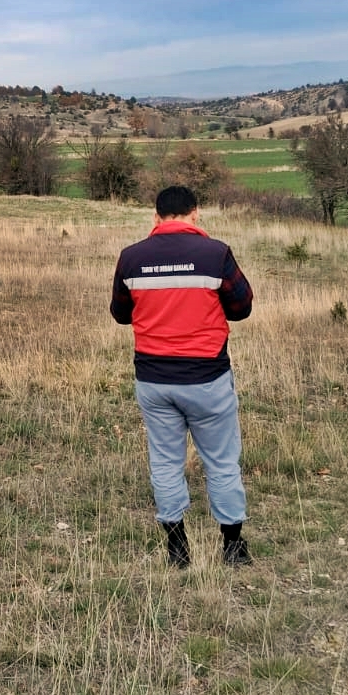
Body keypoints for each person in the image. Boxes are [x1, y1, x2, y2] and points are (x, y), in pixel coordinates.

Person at [110, 184, 254, 568]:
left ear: (155, 217)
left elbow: (120, 314)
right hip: (208, 378)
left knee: (165, 462)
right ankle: (233, 549)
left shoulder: (130, 258)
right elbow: (241, 308)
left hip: (154, 381)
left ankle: (177, 550)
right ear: (196, 214)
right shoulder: (216, 254)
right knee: (222, 462)